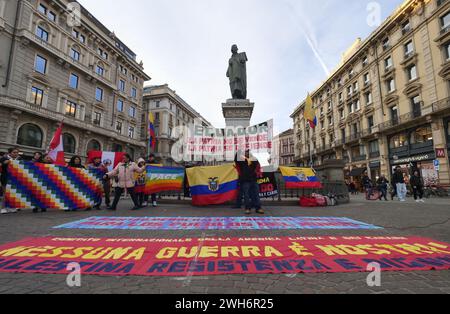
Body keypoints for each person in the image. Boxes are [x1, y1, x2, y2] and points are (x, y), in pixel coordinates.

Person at [234, 150, 264, 215]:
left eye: (247, 152)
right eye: (245, 152)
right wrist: (240, 149)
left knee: (256, 195)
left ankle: (258, 208)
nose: (246, 153)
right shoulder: (241, 161)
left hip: (254, 179)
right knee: (246, 195)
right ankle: (247, 208)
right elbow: (236, 159)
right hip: (245, 180)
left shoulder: (254, 160)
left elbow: (258, 165)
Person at [0, 148, 21, 214]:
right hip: (5, 178)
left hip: (15, 179)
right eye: (14, 152)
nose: (16, 154)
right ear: (10, 153)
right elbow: (2, 164)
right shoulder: (4, 158)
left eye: (17, 152)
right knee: (5, 193)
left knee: (13, 193)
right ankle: (3, 208)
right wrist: (7, 161)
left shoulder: (18, 160)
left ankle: (11, 207)